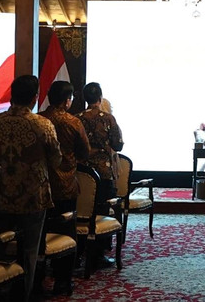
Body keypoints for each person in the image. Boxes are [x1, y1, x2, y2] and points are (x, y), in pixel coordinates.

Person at [0, 75, 62, 301]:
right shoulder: (42, 124)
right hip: (32, 196)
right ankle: (23, 296)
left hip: (0, 193)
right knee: (29, 252)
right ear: (34, 97)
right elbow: (56, 160)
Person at [39, 81, 91, 295]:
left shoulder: (39, 119)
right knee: (66, 233)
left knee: (41, 233)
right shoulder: (72, 122)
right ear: (67, 100)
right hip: (65, 184)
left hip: (41, 185)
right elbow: (84, 152)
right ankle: (62, 281)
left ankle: (39, 277)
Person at [77, 82, 124, 266]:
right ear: (100, 97)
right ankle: (98, 254)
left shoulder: (76, 118)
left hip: (82, 172)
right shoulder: (108, 119)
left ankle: (81, 250)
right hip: (103, 172)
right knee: (103, 211)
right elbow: (118, 144)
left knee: (83, 211)